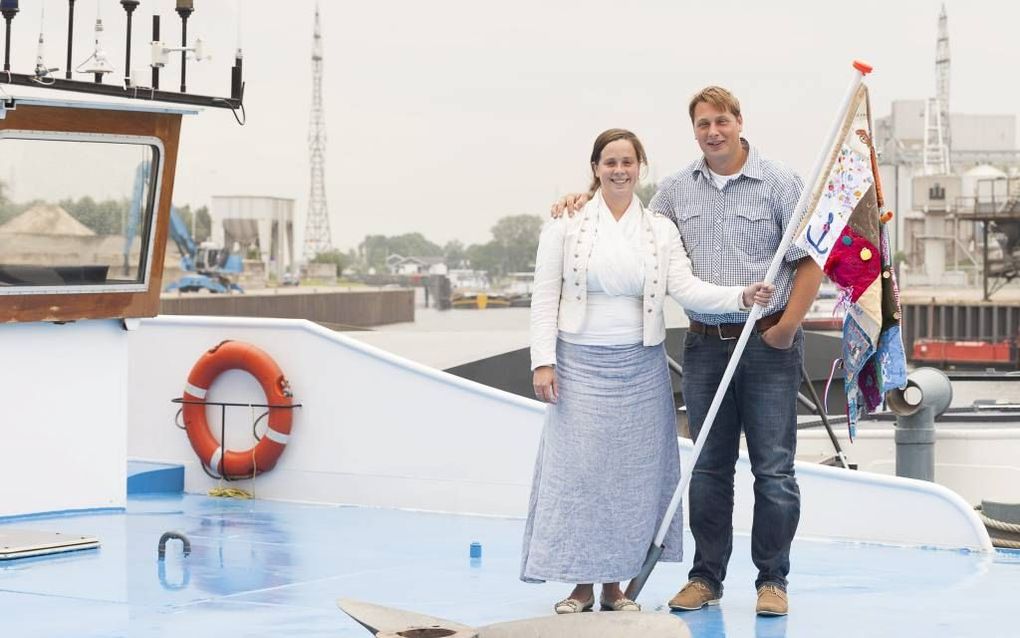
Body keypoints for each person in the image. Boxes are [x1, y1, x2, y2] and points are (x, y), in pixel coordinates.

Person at [551, 87, 823, 617]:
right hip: (704, 344)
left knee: (773, 469)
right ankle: (706, 578)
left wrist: (787, 329)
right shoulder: (675, 191)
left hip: (768, 343)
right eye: (703, 124)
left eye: (722, 121)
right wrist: (579, 203)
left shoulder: (781, 183)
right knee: (708, 467)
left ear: (740, 122)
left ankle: (772, 581)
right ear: (694, 130)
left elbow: (812, 259)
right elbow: (630, 229)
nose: (713, 132)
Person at [523, 128, 774, 615]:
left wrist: (739, 297)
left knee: (632, 479)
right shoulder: (565, 223)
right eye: (609, 162)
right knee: (580, 477)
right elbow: (542, 296)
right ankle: (580, 585)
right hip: (578, 364)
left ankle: (616, 586)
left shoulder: (659, 229)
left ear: (641, 167)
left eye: (628, 162)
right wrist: (543, 361)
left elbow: (687, 287)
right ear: (595, 167)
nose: (619, 170)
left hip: (640, 366)